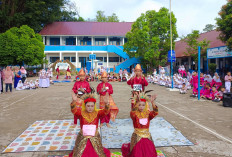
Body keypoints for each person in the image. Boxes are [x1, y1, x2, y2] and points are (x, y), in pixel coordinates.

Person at [121, 92, 158, 157]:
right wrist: (136, 103)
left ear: (146, 105)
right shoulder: (134, 114)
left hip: (147, 136)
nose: (141, 107)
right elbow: (132, 113)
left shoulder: (148, 113)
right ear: (136, 105)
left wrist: (152, 103)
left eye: (143, 105)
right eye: (139, 105)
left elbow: (155, 112)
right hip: (137, 136)